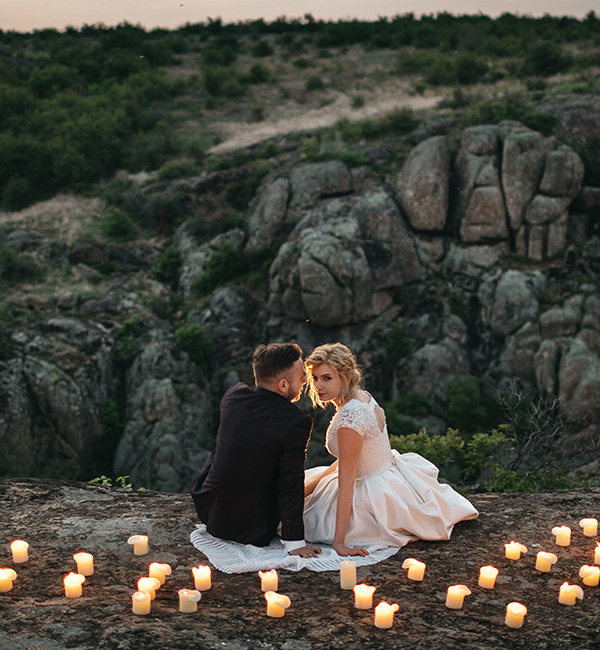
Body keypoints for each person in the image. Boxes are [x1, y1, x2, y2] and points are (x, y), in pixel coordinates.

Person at [303, 343, 478, 557]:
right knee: (303, 487)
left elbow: (347, 483)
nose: (319, 385)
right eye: (315, 378)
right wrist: (313, 485)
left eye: (327, 378)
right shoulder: (362, 396)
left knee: (301, 517)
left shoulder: (350, 417)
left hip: (368, 493)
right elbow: (355, 458)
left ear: (346, 377)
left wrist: (339, 543)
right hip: (389, 476)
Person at [190, 342, 321, 558]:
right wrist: (294, 541)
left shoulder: (234, 396)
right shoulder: (296, 421)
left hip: (211, 510)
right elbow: (290, 482)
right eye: (301, 377)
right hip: (252, 527)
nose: (305, 381)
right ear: (283, 385)